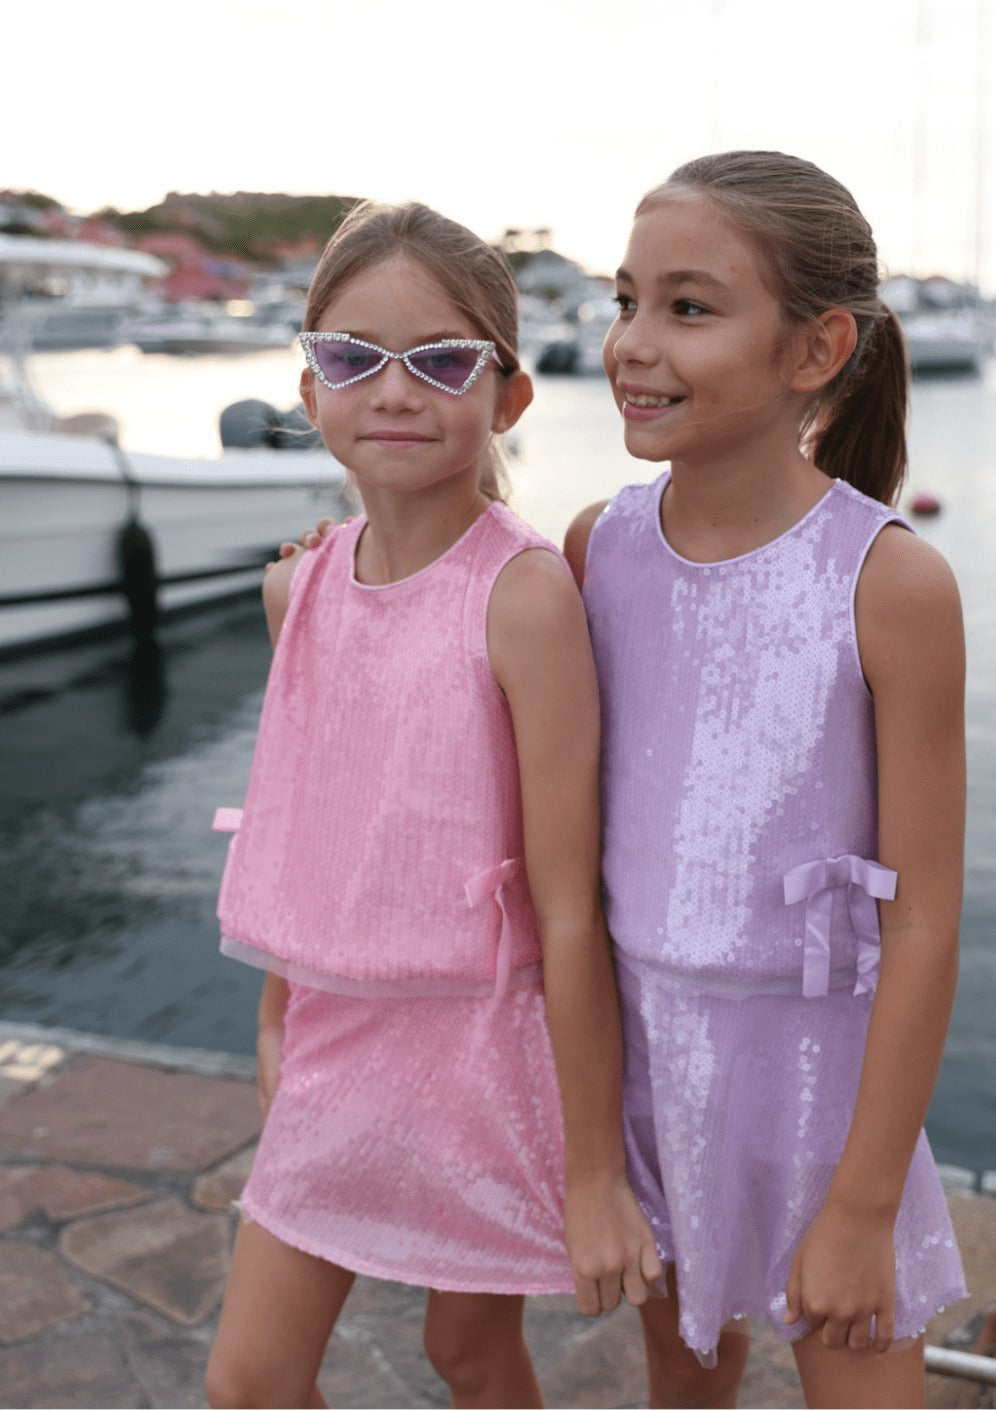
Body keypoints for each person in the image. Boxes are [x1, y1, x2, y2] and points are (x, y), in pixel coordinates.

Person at [204, 199, 659, 1410]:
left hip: (481, 1050)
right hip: (335, 1039)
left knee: (467, 1351)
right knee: (249, 1382)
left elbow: (569, 905)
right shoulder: (295, 590)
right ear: (311, 391)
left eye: (443, 361)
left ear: (507, 397)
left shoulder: (523, 597)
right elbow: (309, 824)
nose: (395, 392)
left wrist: (595, 1174)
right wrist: (276, 1015)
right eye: (354, 358)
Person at [562, 151, 968, 1409]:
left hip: (823, 1094)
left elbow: (926, 922)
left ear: (816, 349)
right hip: (650, 1067)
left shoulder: (889, 583)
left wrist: (862, 1203)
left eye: (687, 307)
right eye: (627, 299)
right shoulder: (595, 549)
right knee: (683, 1380)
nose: (633, 341)